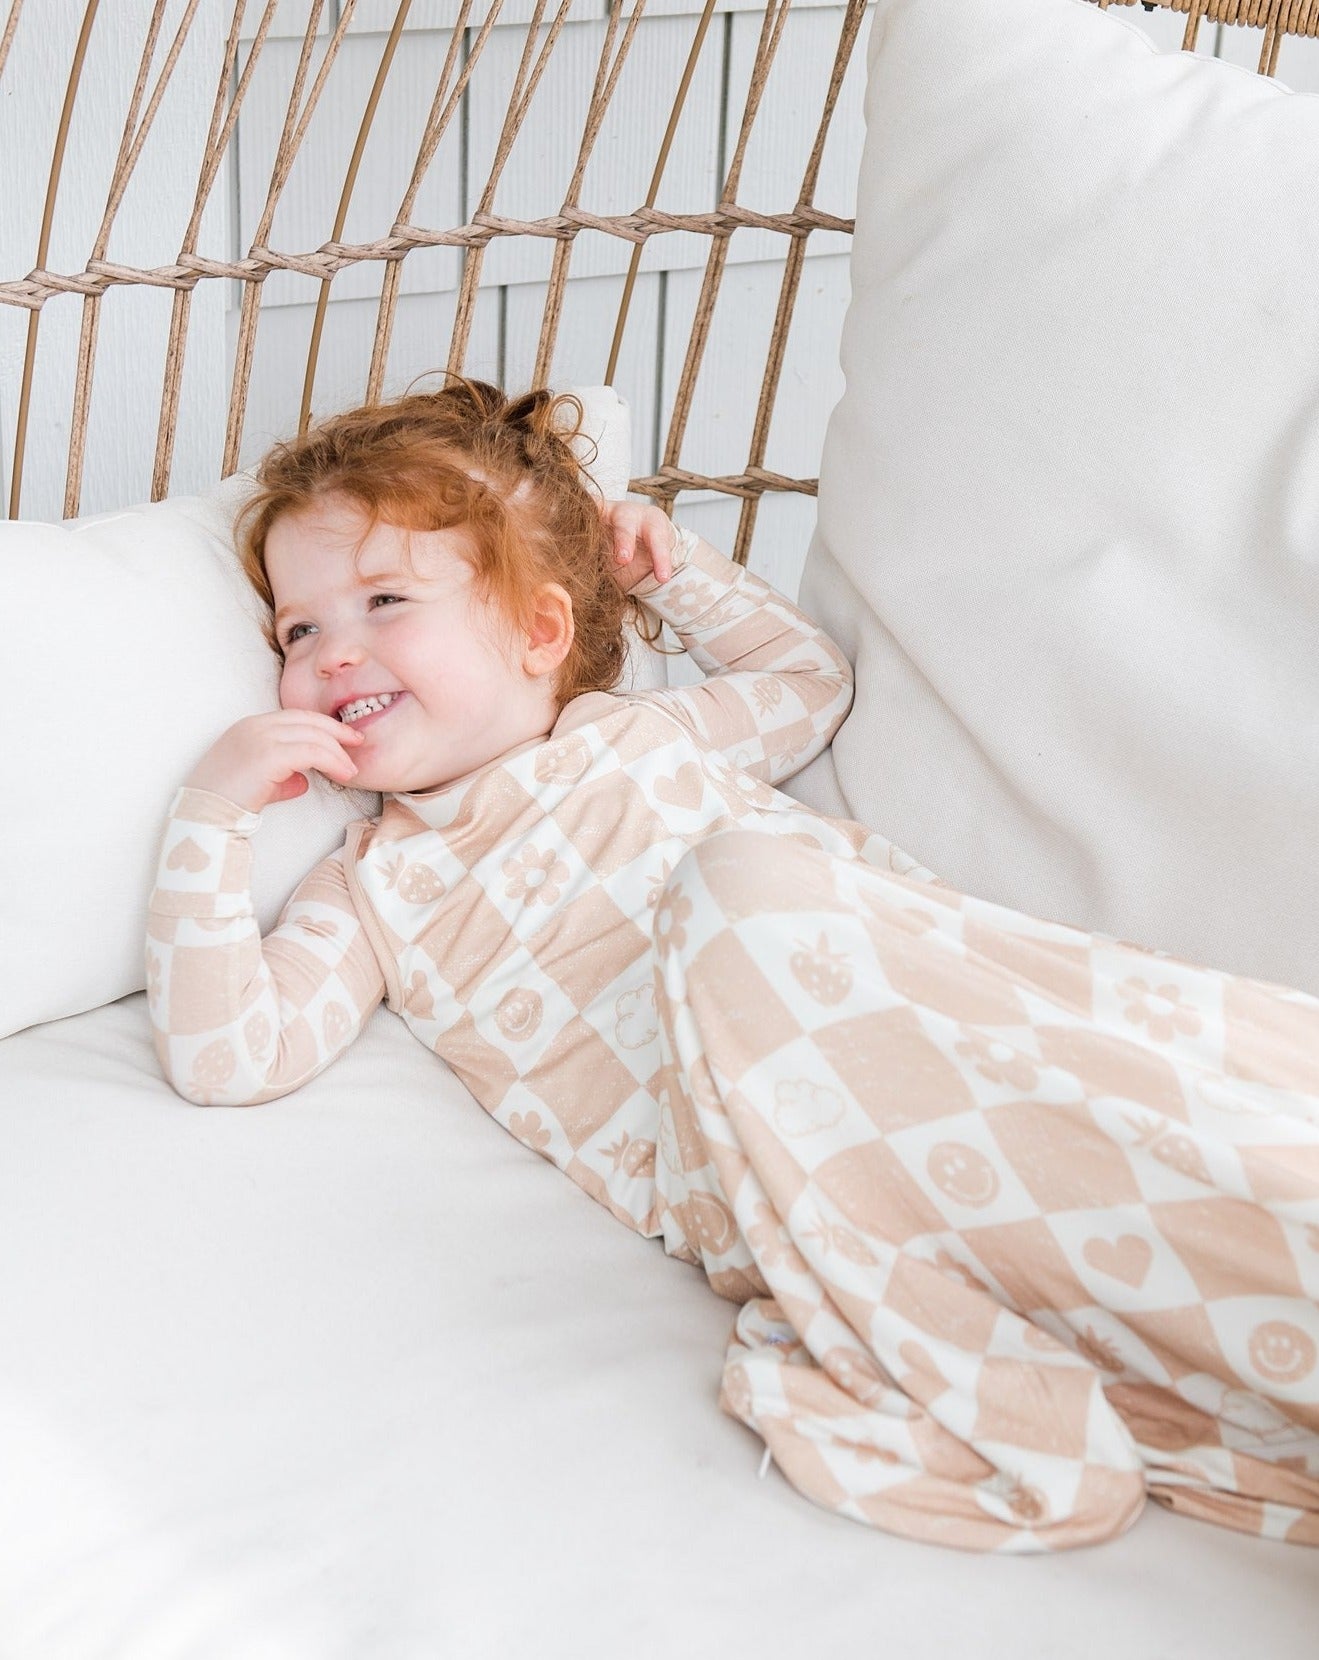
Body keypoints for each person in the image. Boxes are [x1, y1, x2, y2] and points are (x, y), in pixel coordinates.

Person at [147, 378, 1319, 1553]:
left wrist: (674, 572)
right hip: (751, 1151)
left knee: (769, 892)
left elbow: (809, 684)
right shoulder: (374, 885)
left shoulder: (639, 733)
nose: (332, 655)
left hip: (902, 1020)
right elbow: (230, 1054)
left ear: (538, 632)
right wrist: (214, 814)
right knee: (742, 892)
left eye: (383, 601)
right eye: (298, 630)